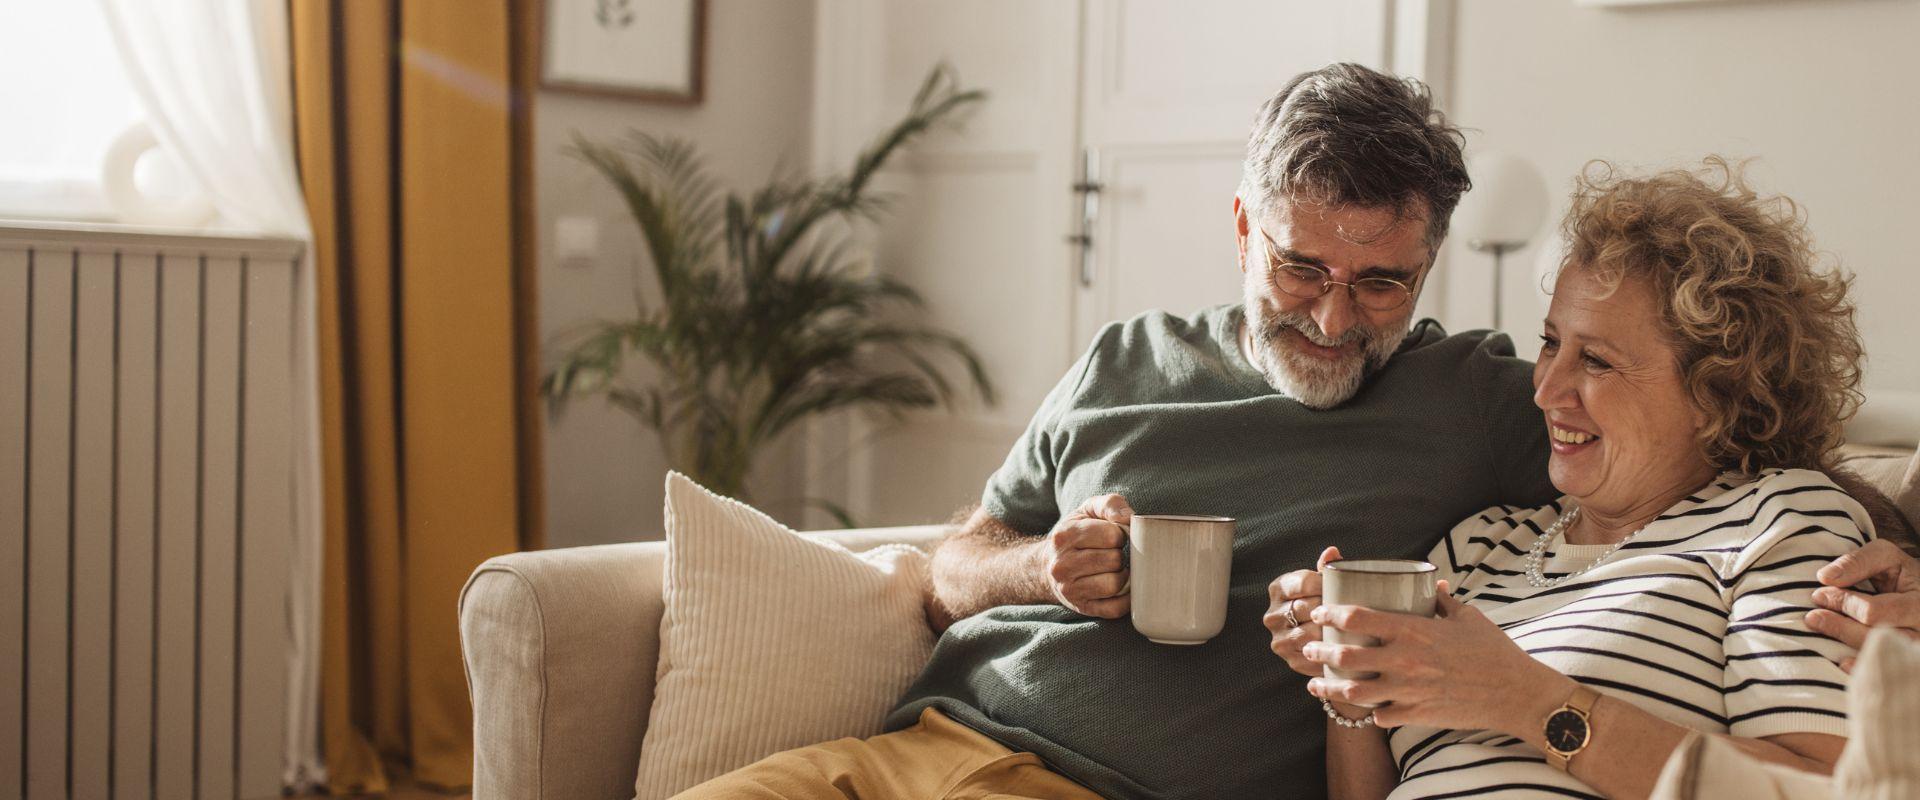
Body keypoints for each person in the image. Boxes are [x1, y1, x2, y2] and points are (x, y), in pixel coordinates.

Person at [676, 64, 1920, 800]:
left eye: (1380, 280)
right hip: (918, 746)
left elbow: (1766, 451)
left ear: (1429, 265)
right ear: (1241, 226)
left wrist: (1910, 561)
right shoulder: (1134, 359)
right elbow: (949, 563)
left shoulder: (1486, 404)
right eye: (1301, 265)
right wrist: (1037, 566)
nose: (1333, 314)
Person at [1289, 159, 1881, 799]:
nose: (1545, 391)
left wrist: (1527, 701)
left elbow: (1835, 787)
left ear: (1716, 392)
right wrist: (1345, 679)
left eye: (1595, 360)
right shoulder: (1480, 545)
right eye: (1550, 344)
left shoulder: (1778, 522)